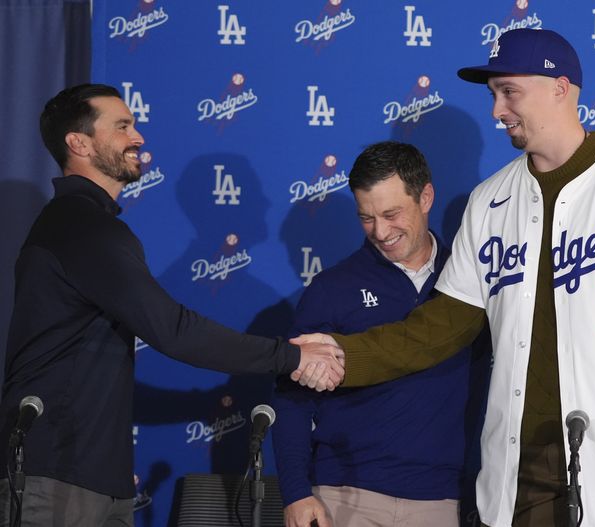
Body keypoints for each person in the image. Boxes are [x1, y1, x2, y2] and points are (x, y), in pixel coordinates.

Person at [292, 29, 595, 527]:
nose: (497, 110)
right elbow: (439, 328)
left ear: (560, 88)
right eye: (493, 94)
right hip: (522, 464)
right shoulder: (490, 201)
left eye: (509, 92)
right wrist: (344, 356)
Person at [0, 84, 342, 526]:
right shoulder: (79, 225)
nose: (138, 136)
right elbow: (172, 329)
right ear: (78, 143)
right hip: (56, 477)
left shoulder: (87, 224)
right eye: (122, 126)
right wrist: (291, 356)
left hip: (93, 478)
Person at [272, 141, 487, 527]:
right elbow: (292, 402)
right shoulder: (330, 288)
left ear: (426, 197)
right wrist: (297, 493)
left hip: (441, 500)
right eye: (366, 218)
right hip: (343, 496)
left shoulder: (470, 283)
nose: (380, 231)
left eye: (391, 214)